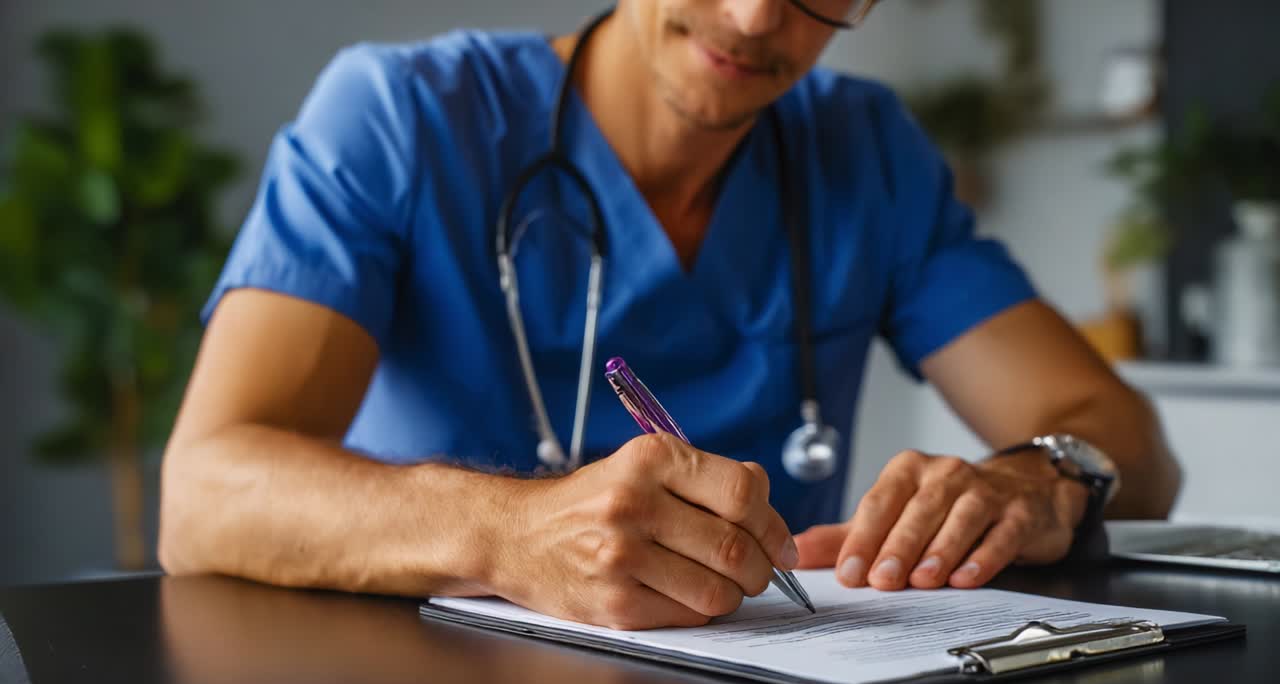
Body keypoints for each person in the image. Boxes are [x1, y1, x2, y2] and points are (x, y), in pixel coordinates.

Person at [159, 0, 1181, 630]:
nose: (751, 16)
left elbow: (1127, 439)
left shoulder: (864, 155)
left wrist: (1041, 475)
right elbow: (204, 496)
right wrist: (504, 531)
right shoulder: (402, 117)